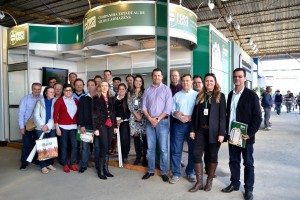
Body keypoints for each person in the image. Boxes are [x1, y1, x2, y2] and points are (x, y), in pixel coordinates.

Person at [221, 68, 262, 200]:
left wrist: (250, 133)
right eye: (235, 76)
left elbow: (257, 117)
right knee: (233, 161)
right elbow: (228, 114)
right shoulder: (230, 94)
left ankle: (249, 189)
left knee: (248, 163)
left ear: (245, 78)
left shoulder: (251, 95)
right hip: (233, 135)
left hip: (246, 137)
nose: (237, 79)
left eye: (240, 76)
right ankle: (235, 183)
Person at [189, 73, 226, 192]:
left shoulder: (220, 96)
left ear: (215, 82)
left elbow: (222, 117)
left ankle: (209, 181)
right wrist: (192, 130)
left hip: (214, 132)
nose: (209, 83)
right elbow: (195, 115)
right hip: (200, 130)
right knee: (196, 154)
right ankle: (199, 182)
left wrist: (221, 133)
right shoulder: (200, 95)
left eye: (211, 81)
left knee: (212, 156)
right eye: (207, 81)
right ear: (204, 83)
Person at [142, 68, 172, 182]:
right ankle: (150, 171)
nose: (157, 77)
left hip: (163, 122)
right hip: (149, 122)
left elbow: (168, 108)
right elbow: (144, 107)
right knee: (150, 148)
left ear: (162, 77)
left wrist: (157, 119)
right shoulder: (147, 90)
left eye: (159, 75)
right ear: (152, 76)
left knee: (163, 149)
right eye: (155, 75)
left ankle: (164, 172)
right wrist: (151, 119)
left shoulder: (166, 90)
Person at [169, 74, 198, 184]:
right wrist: (176, 112)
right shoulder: (176, 95)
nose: (185, 83)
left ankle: (190, 172)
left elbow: (199, 113)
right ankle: (176, 173)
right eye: (184, 81)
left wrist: (190, 117)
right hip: (178, 125)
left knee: (192, 150)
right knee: (176, 150)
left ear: (191, 82)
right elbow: (171, 110)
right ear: (181, 82)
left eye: (187, 81)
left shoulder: (197, 95)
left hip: (192, 126)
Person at [92, 81, 117, 180]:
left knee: (108, 148)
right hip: (101, 125)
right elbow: (93, 114)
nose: (104, 87)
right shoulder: (96, 98)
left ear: (108, 87)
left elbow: (113, 113)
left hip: (110, 125)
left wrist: (115, 126)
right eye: (102, 86)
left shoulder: (111, 98)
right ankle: (100, 171)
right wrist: (95, 128)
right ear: (99, 87)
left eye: (106, 86)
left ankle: (106, 170)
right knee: (104, 147)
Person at [53, 84, 79, 173]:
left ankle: (72, 163)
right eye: (66, 90)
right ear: (63, 91)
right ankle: (64, 164)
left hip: (74, 127)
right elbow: (55, 115)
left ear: (72, 91)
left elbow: (78, 114)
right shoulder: (59, 101)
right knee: (64, 146)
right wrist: (57, 127)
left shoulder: (75, 100)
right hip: (62, 127)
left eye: (70, 90)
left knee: (75, 146)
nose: (68, 92)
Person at [18, 83, 43, 170]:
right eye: (35, 89)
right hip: (27, 125)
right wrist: (21, 127)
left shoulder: (42, 98)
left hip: (38, 125)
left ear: (41, 90)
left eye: (39, 89)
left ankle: (35, 160)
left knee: (38, 144)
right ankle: (24, 163)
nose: (37, 91)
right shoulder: (25, 99)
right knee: (26, 144)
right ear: (32, 89)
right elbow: (21, 113)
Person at [33, 86, 57, 174]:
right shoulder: (40, 101)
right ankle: (43, 166)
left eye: (53, 92)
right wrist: (43, 125)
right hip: (40, 128)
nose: (52, 93)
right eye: (50, 92)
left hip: (52, 127)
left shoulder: (56, 101)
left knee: (51, 146)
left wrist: (48, 126)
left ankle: (49, 163)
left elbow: (56, 116)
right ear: (46, 93)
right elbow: (36, 115)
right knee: (42, 147)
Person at [77, 79, 97, 173]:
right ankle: (84, 165)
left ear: (96, 86)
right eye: (88, 85)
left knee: (97, 146)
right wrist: (81, 125)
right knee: (85, 147)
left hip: (97, 126)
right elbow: (80, 113)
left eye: (92, 85)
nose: (90, 86)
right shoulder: (83, 98)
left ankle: (98, 165)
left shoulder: (99, 97)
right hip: (86, 126)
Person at [128, 75, 147, 166]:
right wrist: (136, 114)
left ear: (142, 82)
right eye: (136, 80)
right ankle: (138, 156)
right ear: (134, 82)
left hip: (143, 117)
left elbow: (147, 104)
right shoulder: (130, 93)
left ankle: (144, 157)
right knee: (136, 137)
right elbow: (129, 105)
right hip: (133, 117)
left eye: (140, 81)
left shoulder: (145, 92)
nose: (138, 82)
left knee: (144, 138)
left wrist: (141, 115)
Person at [115, 83, 131, 163]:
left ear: (125, 90)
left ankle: (125, 155)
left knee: (125, 139)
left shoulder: (128, 99)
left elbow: (129, 112)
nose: (121, 90)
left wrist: (122, 119)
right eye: (120, 89)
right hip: (115, 122)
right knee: (118, 139)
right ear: (118, 90)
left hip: (124, 122)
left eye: (123, 89)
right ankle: (120, 155)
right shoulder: (114, 99)